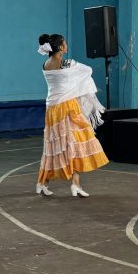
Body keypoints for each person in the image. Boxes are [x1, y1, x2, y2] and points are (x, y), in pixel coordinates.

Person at [37, 33, 108, 198]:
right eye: (65, 43)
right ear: (61, 47)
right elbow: (87, 70)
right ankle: (70, 184)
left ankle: (46, 182)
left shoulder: (45, 64)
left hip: (53, 109)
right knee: (76, 144)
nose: (66, 45)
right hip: (67, 108)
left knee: (56, 147)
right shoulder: (67, 64)